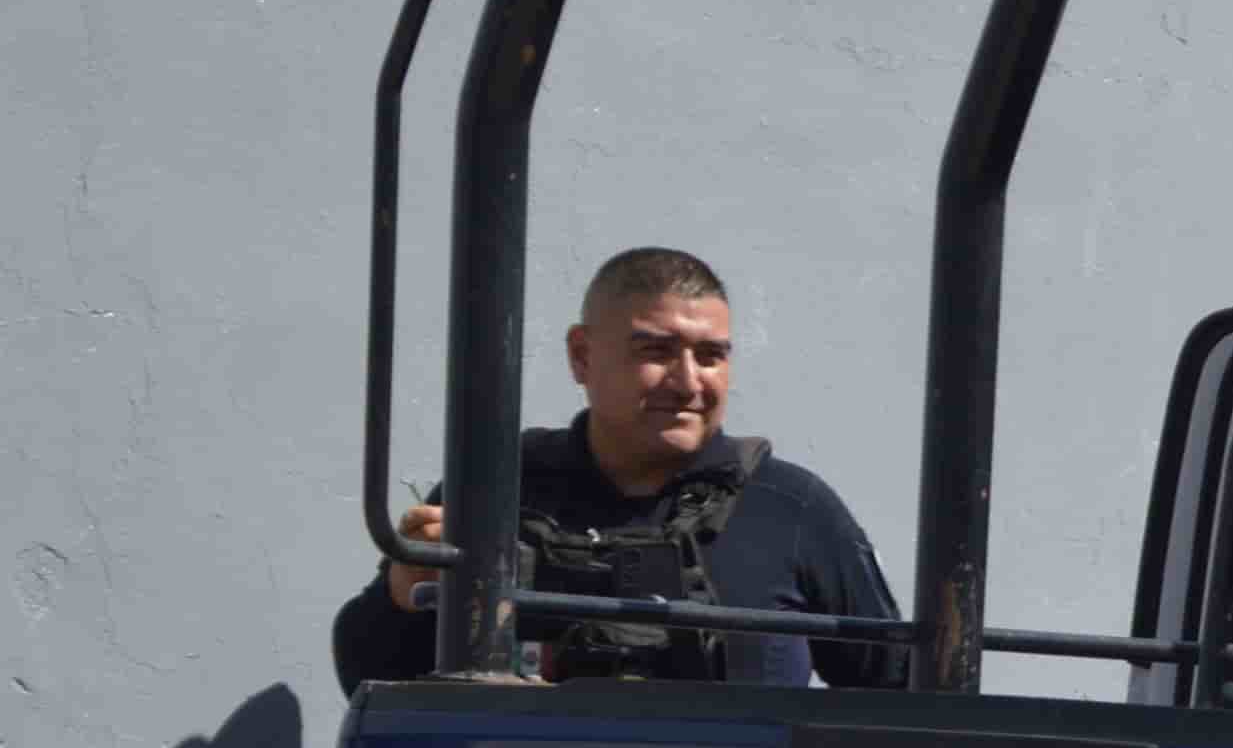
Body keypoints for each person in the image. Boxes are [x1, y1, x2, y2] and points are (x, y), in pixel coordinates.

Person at [335, 247, 902, 693]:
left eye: (711, 356)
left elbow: (905, 692)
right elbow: (368, 679)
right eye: (655, 351)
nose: (688, 383)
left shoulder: (792, 506)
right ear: (582, 356)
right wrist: (401, 593)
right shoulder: (497, 492)